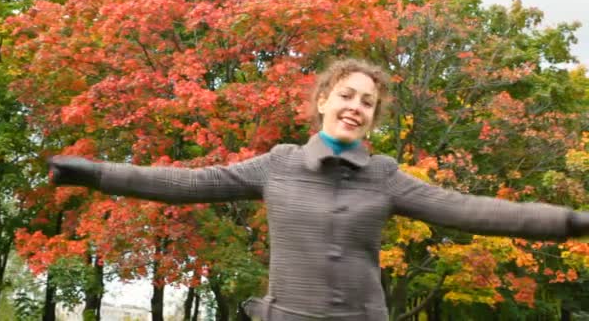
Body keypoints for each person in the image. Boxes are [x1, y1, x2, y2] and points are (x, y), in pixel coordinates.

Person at [49, 59, 589, 321]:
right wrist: (93, 172)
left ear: (374, 116)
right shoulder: (278, 165)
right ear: (325, 98)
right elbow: (187, 182)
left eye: (368, 102)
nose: (356, 105)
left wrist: (574, 222)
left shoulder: (385, 176)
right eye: (347, 94)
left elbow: (472, 211)